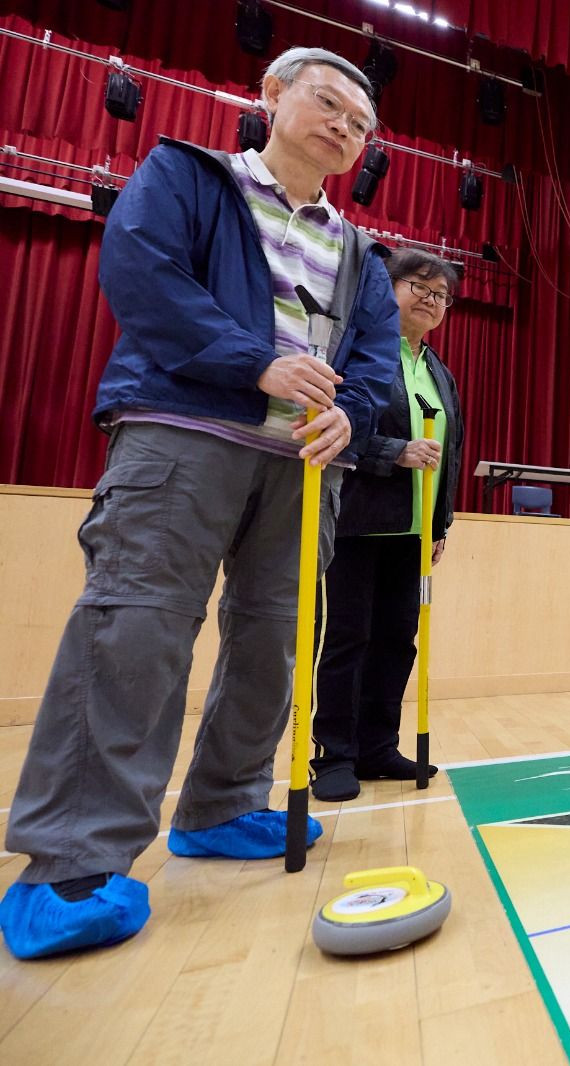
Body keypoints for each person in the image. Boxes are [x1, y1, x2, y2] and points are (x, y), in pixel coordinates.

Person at [0, 47, 398, 960]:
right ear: (271, 94)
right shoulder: (189, 177)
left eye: (360, 125)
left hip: (304, 465)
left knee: (274, 639)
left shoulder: (361, 253)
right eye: (328, 103)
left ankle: (222, 804)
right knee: (136, 628)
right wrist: (255, 362)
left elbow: (374, 357)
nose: (343, 128)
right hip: (184, 433)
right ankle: (72, 862)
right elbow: (143, 276)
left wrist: (356, 417)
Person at [311, 249, 465, 801]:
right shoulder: (362, 352)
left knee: (398, 641)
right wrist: (393, 451)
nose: (431, 300)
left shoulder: (439, 372)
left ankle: (377, 747)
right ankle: (334, 753)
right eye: (419, 286)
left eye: (441, 294)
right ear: (388, 287)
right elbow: (336, 427)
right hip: (357, 521)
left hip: (413, 532)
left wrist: (440, 523)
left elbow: (448, 452)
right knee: (347, 639)